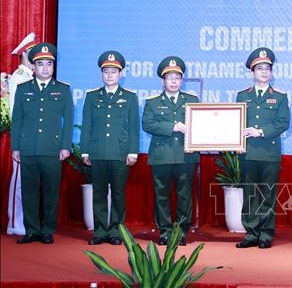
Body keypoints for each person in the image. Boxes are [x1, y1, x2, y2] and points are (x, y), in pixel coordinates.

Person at [10, 42, 73, 244]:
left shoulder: (63, 90)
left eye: (49, 64)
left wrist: (65, 146)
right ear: (33, 67)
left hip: (52, 149)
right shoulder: (23, 89)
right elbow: (17, 120)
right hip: (28, 148)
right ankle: (31, 230)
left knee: (50, 191)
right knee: (29, 191)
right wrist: (15, 147)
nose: (45, 68)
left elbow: (68, 121)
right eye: (40, 64)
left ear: (53, 67)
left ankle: (47, 229)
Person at [80, 51, 139, 245]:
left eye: (114, 71)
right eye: (106, 71)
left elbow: (133, 127)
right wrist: (85, 151)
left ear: (120, 74)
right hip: (98, 152)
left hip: (119, 153)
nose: (110, 75)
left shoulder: (130, 97)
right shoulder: (92, 97)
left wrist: (132, 152)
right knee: (98, 193)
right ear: (102, 74)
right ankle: (99, 232)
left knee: (118, 194)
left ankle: (115, 232)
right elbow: (87, 125)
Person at [235, 48, 290, 249]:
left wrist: (260, 131)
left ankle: (266, 234)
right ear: (252, 71)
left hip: (269, 153)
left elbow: (283, 122)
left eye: (268, 68)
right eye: (260, 68)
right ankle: (251, 233)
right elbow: (236, 123)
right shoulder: (242, 95)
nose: (264, 72)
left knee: (267, 194)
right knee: (250, 193)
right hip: (247, 152)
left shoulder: (280, 97)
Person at [142, 56, 199, 246]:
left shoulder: (192, 100)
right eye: (169, 77)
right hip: (162, 155)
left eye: (177, 77)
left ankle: (181, 231)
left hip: (186, 155)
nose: (173, 81)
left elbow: (202, 124)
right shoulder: (152, 102)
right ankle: (165, 231)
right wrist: (173, 126)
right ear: (163, 80)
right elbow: (147, 124)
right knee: (161, 195)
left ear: (182, 80)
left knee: (185, 195)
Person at [6, 32, 38, 236]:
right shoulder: (18, 78)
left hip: (35, 138)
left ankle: (27, 221)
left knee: (30, 182)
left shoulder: (31, 78)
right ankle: (15, 223)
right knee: (18, 182)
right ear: (25, 53)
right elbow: (14, 113)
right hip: (24, 137)